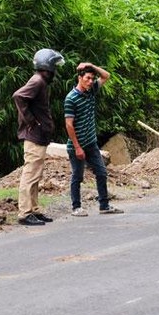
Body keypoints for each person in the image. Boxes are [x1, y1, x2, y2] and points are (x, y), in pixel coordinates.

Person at [12, 49, 64, 226]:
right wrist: (31, 121)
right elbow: (18, 96)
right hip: (34, 136)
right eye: (54, 67)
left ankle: (34, 210)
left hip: (39, 137)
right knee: (30, 175)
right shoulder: (37, 81)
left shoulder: (40, 81)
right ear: (47, 66)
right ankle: (25, 213)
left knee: (36, 176)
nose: (55, 72)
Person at [65, 62, 123, 216]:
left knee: (102, 173)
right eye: (88, 78)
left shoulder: (91, 91)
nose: (90, 81)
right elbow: (69, 125)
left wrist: (91, 65)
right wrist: (77, 147)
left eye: (92, 79)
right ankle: (76, 207)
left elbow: (106, 76)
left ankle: (104, 205)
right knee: (77, 176)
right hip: (76, 145)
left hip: (91, 143)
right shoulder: (71, 98)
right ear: (80, 78)